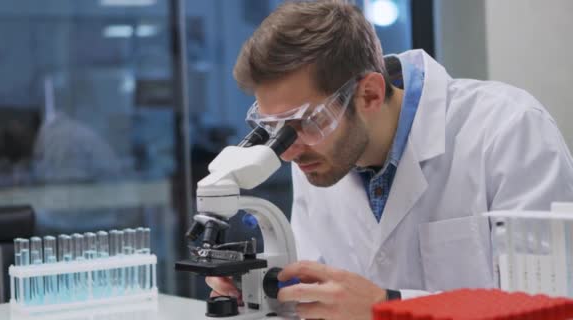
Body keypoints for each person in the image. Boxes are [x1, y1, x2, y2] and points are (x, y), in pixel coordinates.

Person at [207, 1, 573, 319]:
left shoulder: (509, 129)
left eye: (303, 123)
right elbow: (317, 295)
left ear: (369, 94)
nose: (287, 150)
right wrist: (263, 290)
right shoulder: (317, 158)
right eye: (274, 129)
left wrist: (389, 307)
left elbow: (550, 307)